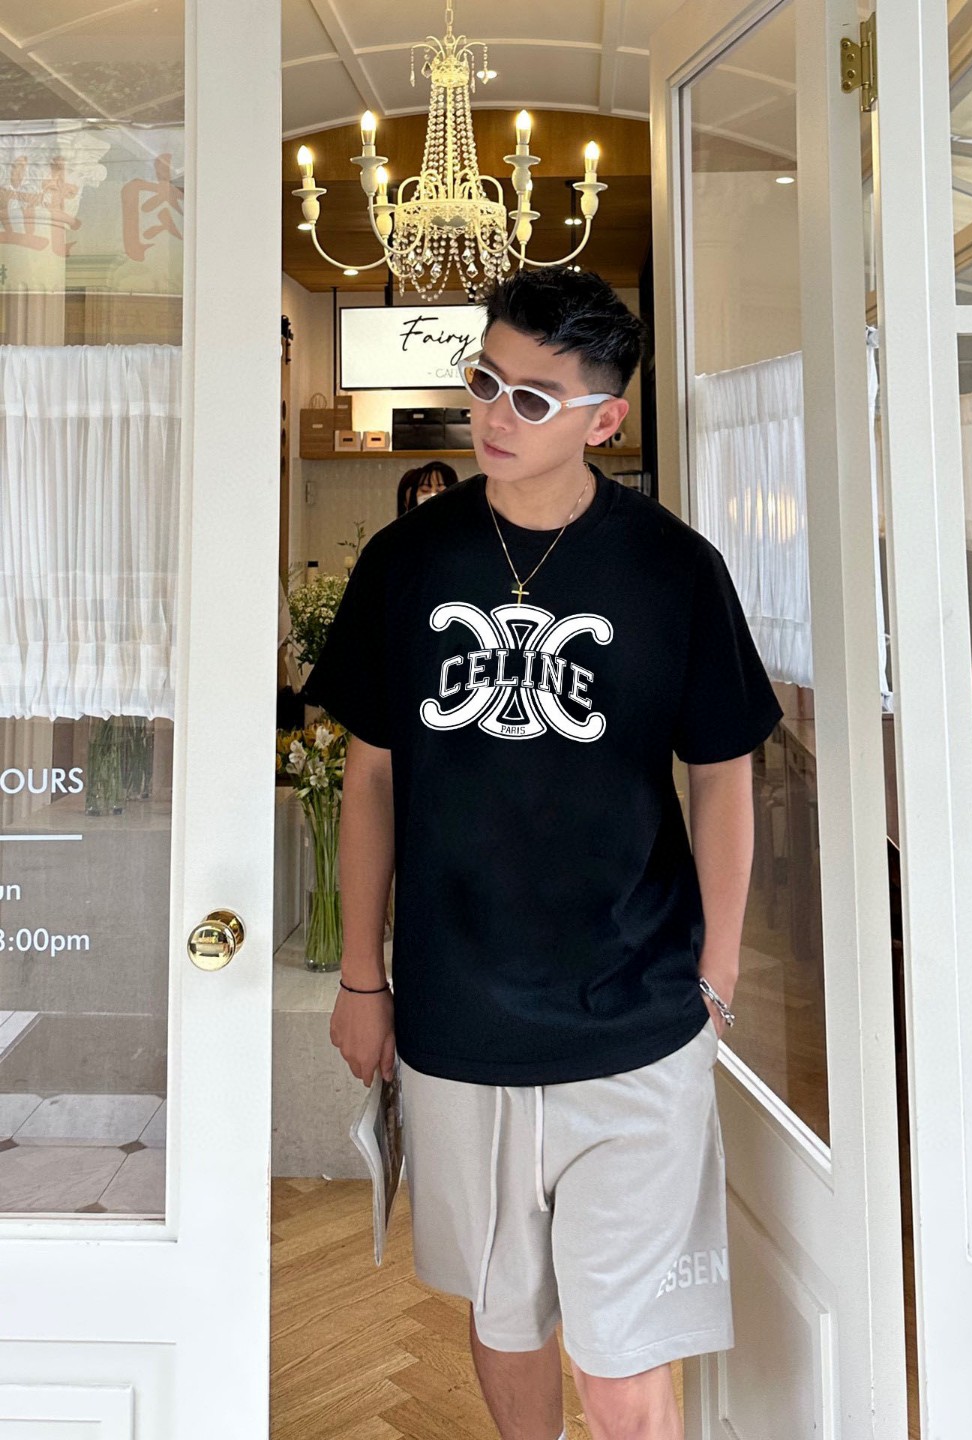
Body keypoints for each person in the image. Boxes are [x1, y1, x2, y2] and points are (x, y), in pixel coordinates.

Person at [305, 266, 782, 1440]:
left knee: (620, 1361)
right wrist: (362, 979)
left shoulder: (674, 569)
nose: (494, 415)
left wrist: (717, 970)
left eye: (532, 398)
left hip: (636, 1015)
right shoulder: (408, 562)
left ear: (604, 420)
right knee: (505, 1315)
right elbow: (371, 779)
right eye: (484, 382)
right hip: (457, 1019)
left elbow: (724, 773)